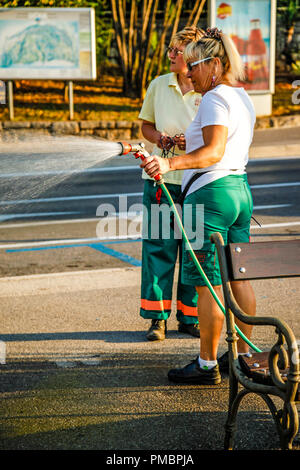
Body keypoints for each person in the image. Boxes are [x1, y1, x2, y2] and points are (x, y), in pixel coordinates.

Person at [141, 27, 257, 384]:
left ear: (216, 64)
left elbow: (213, 151)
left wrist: (169, 163)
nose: (188, 73)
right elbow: (223, 146)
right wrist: (179, 146)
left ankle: (207, 364)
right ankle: (245, 355)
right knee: (238, 277)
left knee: (210, 284)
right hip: (239, 191)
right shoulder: (241, 97)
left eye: (194, 66)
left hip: (210, 197)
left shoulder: (213, 98)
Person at [138, 27, 204, 341]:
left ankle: (189, 318)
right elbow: (145, 127)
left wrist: (189, 142)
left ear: (192, 55)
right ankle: (157, 319)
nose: (171, 54)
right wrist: (161, 139)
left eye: (178, 50)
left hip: (196, 180)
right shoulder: (158, 85)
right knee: (159, 249)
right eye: (171, 48)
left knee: (194, 251)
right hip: (160, 179)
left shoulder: (208, 89)